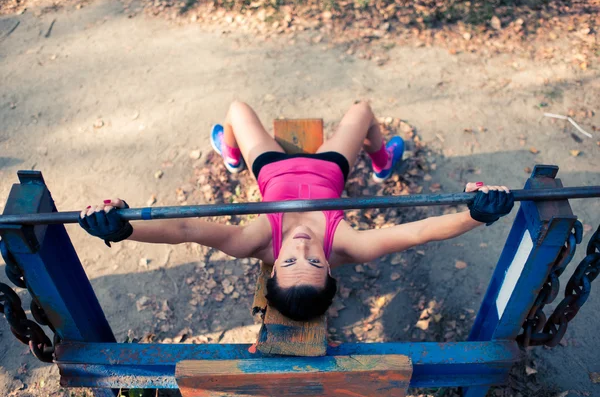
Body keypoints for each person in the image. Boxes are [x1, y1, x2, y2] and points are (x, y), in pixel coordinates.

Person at [79, 101, 514, 321]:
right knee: (362, 109)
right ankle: (381, 161)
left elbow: (188, 227)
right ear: (332, 266)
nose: (304, 247)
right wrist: (478, 215)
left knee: (235, 109)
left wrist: (123, 228)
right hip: (328, 169)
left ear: (272, 269)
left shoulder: (254, 241)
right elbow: (418, 232)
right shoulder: (347, 245)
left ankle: (230, 153)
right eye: (314, 261)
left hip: (270, 168)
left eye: (290, 261)